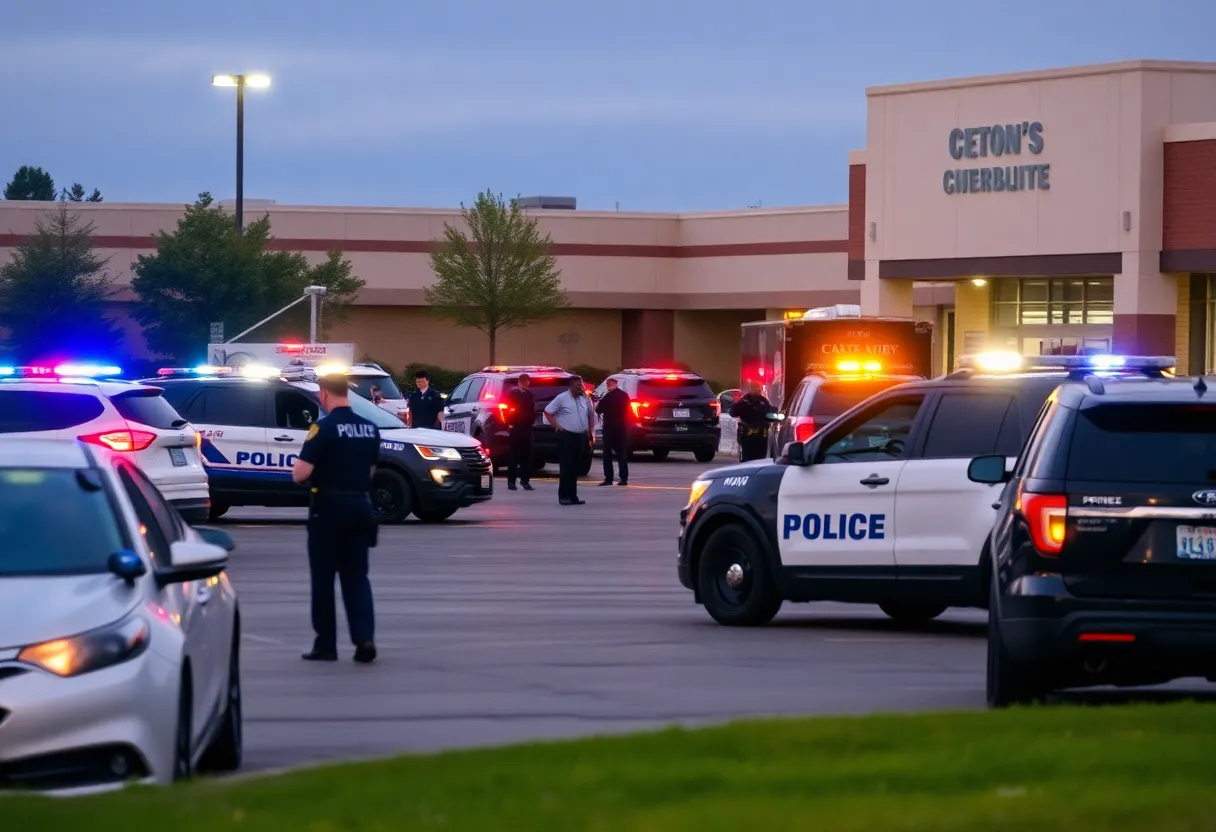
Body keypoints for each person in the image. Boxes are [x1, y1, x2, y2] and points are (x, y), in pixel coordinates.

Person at [291, 372, 382, 664]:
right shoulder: (370, 428)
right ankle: (364, 639)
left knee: (324, 579)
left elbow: (300, 474)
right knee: (357, 577)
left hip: (327, 511)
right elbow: (370, 473)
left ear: (324, 394)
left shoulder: (323, 428)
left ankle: (326, 645)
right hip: (360, 508)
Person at [544, 375, 595, 505]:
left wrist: (590, 433)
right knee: (566, 468)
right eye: (578, 386)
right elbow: (548, 412)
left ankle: (573, 496)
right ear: (571, 386)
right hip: (566, 436)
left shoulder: (585, 398)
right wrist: (558, 426)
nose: (581, 388)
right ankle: (563, 496)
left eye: (582, 386)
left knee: (575, 468)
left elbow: (590, 415)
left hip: (581, 436)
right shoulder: (562, 398)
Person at [595, 377, 631, 486]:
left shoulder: (608, 397)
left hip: (609, 428)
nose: (607, 385)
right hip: (621, 427)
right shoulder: (624, 396)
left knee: (607, 454)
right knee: (621, 454)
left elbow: (598, 410)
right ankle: (624, 479)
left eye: (608, 383)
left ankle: (609, 479)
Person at [503, 372, 536, 491]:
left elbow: (532, 411)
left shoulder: (530, 395)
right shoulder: (513, 394)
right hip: (516, 428)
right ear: (519, 383)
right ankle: (511, 482)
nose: (526, 384)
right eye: (523, 382)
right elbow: (507, 410)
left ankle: (525, 481)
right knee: (514, 456)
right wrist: (510, 423)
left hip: (527, 428)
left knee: (527, 456)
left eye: (527, 381)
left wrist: (531, 422)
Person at [730, 381, 775, 462]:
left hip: (762, 432)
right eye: (753, 388)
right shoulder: (744, 400)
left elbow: (770, 413)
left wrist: (773, 415)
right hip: (746, 432)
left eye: (757, 388)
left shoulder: (764, 401)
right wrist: (744, 405)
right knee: (746, 456)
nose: (755, 390)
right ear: (749, 389)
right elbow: (733, 412)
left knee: (761, 456)